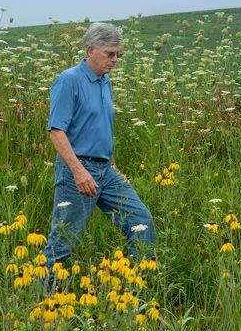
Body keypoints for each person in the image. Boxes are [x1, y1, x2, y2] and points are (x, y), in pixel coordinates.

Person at [43, 22, 156, 283]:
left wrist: (110, 159)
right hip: (78, 172)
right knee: (63, 242)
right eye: (110, 54)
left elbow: (101, 123)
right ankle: (47, 304)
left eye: (118, 54)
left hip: (106, 171)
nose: (115, 60)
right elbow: (56, 131)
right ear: (90, 49)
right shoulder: (68, 81)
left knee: (141, 220)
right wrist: (78, 171)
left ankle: (135, 288)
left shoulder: (105, 82)